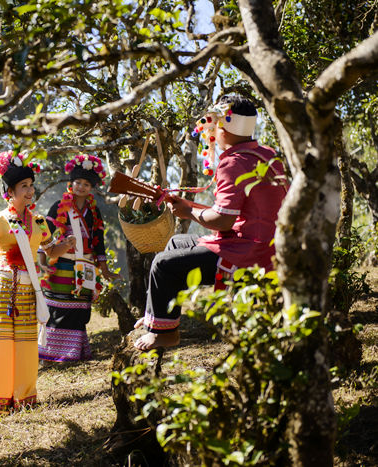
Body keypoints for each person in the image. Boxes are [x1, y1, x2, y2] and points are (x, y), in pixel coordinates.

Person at [134, 95, 288, 350]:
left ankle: (165, 334)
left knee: (162, 265)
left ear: (223, 126)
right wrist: (188, 207)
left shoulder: (233, 162)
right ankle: (158, 317)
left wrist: (188, 212)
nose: (209, 130)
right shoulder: (266, 155)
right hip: (267, 246)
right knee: (176, 243)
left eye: (212, 123)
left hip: (249, 253)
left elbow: (224, 220)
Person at [0, 151, 76, 413]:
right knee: (1, 341)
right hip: (3, 288)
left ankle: (25, 396)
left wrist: (65, 245)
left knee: (25, 342)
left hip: (28, 287)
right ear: (9, 191)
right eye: (24, 186)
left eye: (31, 185)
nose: (30, 190)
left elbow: (50, 252)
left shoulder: (39, 222)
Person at [37, 154, 119, 362]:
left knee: (80, 308)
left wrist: (104, 268)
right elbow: (45, 236)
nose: (82, 187)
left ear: (91, 188)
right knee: (57, 306)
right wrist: (42, 262)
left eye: (86, 184)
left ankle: (75, 352)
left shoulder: (94, 211)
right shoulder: (58, 207)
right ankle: (51, 353)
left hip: (85, 267)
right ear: (70, 184)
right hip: (61, 263)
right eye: (78, 182)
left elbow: (98, 241)